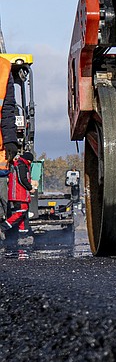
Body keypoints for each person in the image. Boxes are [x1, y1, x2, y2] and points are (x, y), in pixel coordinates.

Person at [1, 60, 33, 244]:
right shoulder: (22, 167)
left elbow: (7, 112)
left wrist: (10, 140)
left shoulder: (4, 70)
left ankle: (12, 232)